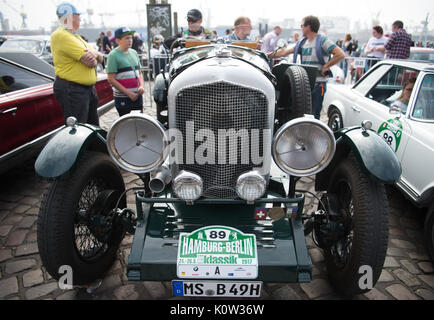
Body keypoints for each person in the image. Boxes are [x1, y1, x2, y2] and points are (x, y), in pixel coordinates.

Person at [267, 15, 345, 120]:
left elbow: (340, 54)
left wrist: (326, 66)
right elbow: (284, 52)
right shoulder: (302, 43)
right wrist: (266, 55)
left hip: (318, 85)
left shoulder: (322, 41)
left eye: (302, 25)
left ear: (308, 27)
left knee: (314, 115)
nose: (301, 28)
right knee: (300, 114)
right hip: (305, 85)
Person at [51, 2, 103, 126]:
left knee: (92, 127)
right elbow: (91, 62)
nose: (80, 19)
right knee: (78, 128)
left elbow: (100, 57)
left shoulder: (76, 37)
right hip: (73, 90)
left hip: (86, 89)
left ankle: (93, 146)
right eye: (78, 16)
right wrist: (95, 55)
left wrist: (94, 53)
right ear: (70, 17)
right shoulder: (61, 35)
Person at [106, 27, 145, 117]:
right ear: (118, 40)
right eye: (127, 38)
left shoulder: (134, 52)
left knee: (139, 123)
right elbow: (111, 79)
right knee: (127, 124)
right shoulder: (113, 55)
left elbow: (139, 72)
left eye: (130, 37)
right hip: (123, 98)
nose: (130, 40)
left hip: (137, 96)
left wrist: (141, 86)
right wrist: (128, 93)